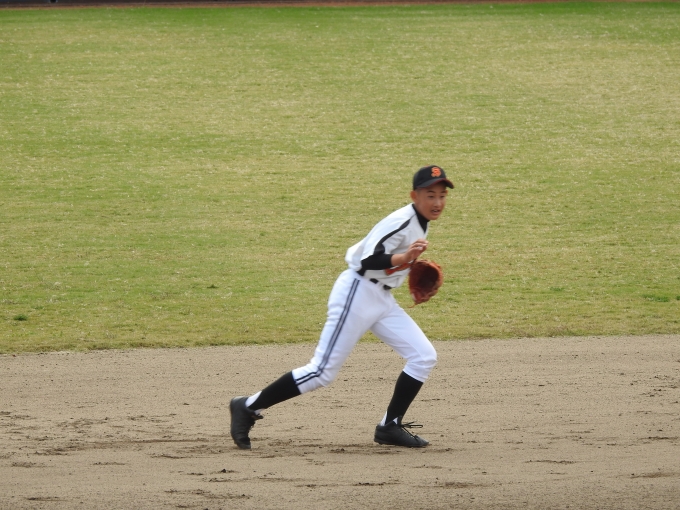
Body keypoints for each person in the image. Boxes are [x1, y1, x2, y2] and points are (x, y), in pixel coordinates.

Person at [230, 165, 453, 449]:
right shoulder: (401, 221)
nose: (437, 202)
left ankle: (389, 426)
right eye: (430, 195)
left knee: (423, 356)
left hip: (382, 299)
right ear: (414, 196)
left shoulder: (421, 221)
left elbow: (390, 261)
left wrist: (404, 265)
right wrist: (404, 259)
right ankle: (248, 406)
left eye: (442, 195)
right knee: (321, 371)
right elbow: (367, 261)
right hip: (357, 293)